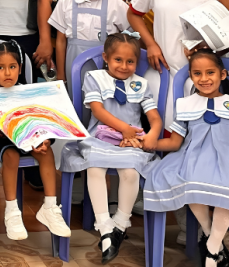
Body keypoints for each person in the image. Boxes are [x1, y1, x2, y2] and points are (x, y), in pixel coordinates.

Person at [60, 33, 162, 263]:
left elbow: (153, 116)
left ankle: (120, 223)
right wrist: (123, 128)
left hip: (131, 139)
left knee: (131, 171)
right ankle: (104, 224)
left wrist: (153, 133)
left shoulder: (141, 84)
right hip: (101, 136)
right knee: (95, 166)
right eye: (118, 60)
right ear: (106, 57)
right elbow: (98, 111)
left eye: (130, 61)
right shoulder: (94, 77)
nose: (124, 66)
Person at [0, 41, 71, 243]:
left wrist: (42, 139)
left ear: (20, 68)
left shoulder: (25, 91)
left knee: (46, 151)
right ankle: (12, 211)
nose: (7, 72)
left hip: (22, 138)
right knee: (11, 154)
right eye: (1, 68)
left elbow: (34, 123)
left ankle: (50, 207)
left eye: (13, 67)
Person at [142, 49, 229, 267]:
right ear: (191, 77)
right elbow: (174, 142)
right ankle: (212, 239)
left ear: (223, 75)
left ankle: (210, 252)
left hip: (225, 156)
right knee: (189, 180)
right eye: (197, 73)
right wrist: (149, 143)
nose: (204, 79)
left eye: (210, 73)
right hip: (193, 156)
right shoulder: (185, 104)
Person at [128, 0, 220, 120]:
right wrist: (151, 44)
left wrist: (206, 48)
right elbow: (133, 14)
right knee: (161, 124)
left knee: (193, 125)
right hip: (161, 69)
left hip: (198, 75)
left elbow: (221, 37)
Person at [48, 0, 129, 87]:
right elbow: (61, 41)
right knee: (76, 101)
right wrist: (61, 75)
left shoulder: (114, 3)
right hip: (72, 66)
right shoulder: (65, 1)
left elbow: (128, 36)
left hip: (107, 69)